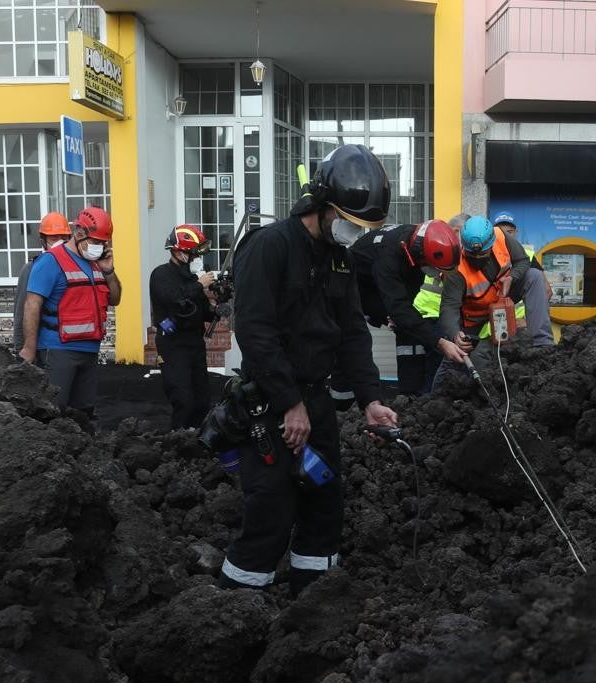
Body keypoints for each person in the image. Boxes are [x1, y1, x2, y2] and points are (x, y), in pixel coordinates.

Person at [216, 143, 398, 597]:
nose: (356, 233)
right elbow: (255, 333)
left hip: (315, 406)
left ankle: (312, 602)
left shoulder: (339, 258)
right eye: (351, 222)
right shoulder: (269, 247)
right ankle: (238, 606)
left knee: (323, 501)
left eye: (365, 227)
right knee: (272, 509)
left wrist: (371, 400)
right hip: (272, 406)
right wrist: (289, 403)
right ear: (321, 205)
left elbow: (353, 333)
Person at [18, 206, 120, 419]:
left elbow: (115, 299)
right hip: (58, 349)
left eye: (103, 243)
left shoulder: (96, 264)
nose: (99, 247)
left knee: (83, 412)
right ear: (79, 233)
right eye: (95, 242)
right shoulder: (50, 261)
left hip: (89, 350)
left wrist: (109, 271)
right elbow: (31, 305)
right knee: (54, 410)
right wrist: (28, 348)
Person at [347, 219, 466, 396]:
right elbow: (398, 307)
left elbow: (407, 294)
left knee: (409, 330)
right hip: (352, 292)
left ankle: (412, 398)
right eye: (436, 268)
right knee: (353, 346)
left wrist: (399, 316)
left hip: (378, 288)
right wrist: (440, 343)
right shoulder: (389, 256)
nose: (437, 273)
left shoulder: (415, 245)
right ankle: (346, 403)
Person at [439, 215, 555, 356]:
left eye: (482, 254)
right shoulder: (456, 269)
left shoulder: (501, 237)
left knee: (534, 276)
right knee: (456, 359)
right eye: (472, 255)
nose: (477, 258)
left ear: (492, 243)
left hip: (503, 294)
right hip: (473, 316)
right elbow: (449, 306)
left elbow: (522, 261)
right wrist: (454, 334)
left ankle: (542, 345)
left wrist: (512, 277)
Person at [150, 224, 218, 430]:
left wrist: (216, 305)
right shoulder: (161, 275)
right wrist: (200, 285)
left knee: (202, 400)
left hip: (195, 342)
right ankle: (178, 444)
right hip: (173, 344)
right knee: (183, 399)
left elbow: (203, 312)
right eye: (194, 254)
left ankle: (198, 444)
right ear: (179, 253)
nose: (197, 259)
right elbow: (175, 299)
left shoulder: (192, 279)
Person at [12, 212, 72, 356]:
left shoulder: (75, 267)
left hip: (72, 347)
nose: (60, 242)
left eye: (64, 238)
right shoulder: (31, 269)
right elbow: (21, 313)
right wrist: (21, 349)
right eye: (54, 238)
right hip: (44, 347)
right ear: (43, 241)